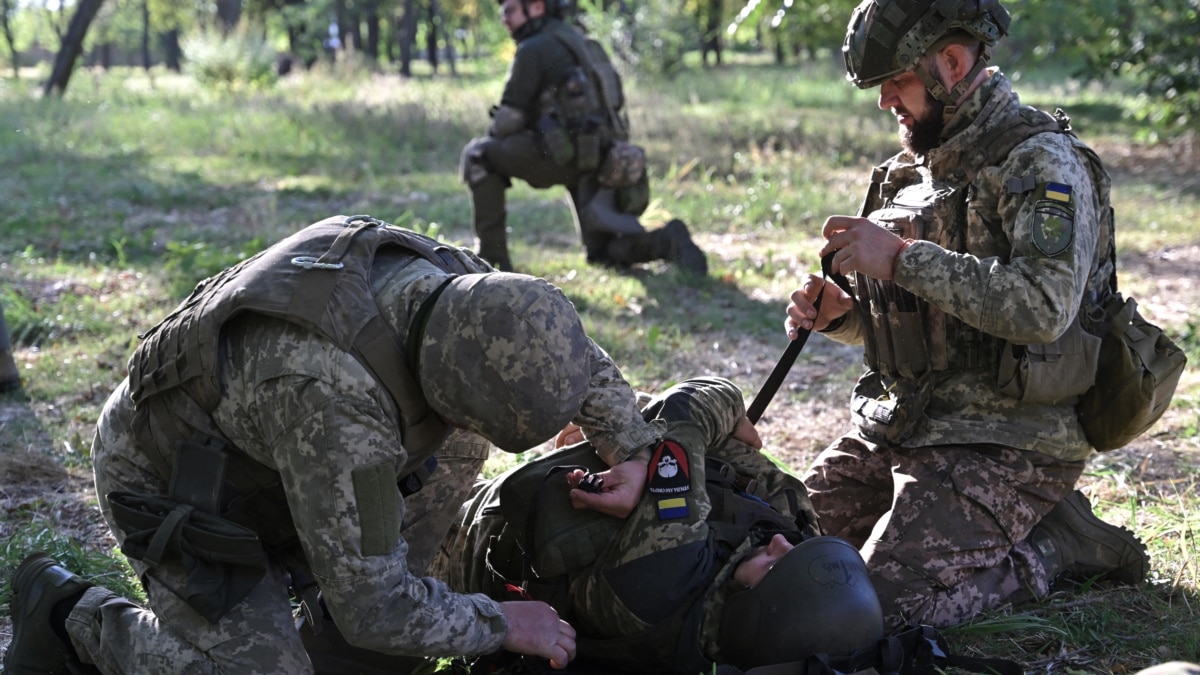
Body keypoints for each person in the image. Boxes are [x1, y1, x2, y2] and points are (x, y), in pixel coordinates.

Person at [4, 214, 667, 675]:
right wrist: (499, 621)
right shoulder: (335, 397)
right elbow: (372, 604)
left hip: (275, 451)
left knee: (452, 452)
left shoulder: (461, 293)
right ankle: (67, 613)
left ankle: (348, 630)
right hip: (174, 480)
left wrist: (630, 447)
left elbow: (554, 346)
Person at [783, 0, 1149, 632]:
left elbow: (1043, 309)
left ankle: (1055, 547)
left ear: (950, 64)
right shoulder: (909, 172)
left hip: (1011, 441)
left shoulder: (1041, 163)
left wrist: (899, 260)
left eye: (894, 83)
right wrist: (843, 318)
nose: (883, 103)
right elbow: (932, 326)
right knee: (780, 552)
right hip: (906, 424)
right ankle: (946, 528)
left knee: (872, 615)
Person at [432, 376, 887, 674]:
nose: (784, 544)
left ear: (747, 608)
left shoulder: (666, 571)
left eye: (774, 565)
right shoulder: (777, 556)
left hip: (453, 534)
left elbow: (695, 401)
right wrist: (656, 432)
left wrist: (695, 427)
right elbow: (779, 494)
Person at [459, 0, 707, 275]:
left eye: (510, 10)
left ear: (537, 7)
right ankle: (666, 242)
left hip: (566, 157)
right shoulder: (582, 41)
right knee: (601, 254)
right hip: (603, 156)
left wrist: (499, 138)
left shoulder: (533, 47)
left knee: (479, 155)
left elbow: (508, 120)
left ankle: (491, 263)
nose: (504, 19)